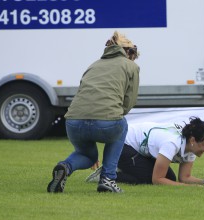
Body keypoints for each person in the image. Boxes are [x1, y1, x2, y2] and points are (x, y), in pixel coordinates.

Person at [47, 31, 140, 193]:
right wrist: (115, 115)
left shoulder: (94, 64)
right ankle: (108, 179)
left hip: (73, 122)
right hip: (107, 123)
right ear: (128, 52)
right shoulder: (131, 66)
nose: (134, 58)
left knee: (87, 155)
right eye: (133, 54)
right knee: (122, 125)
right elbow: (129, 102)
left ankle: (65, 167)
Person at [87, 117, 204, 186]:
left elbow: (184, 178)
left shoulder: (190, 147)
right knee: (148, 179)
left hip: (140, 150)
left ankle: (115, 170)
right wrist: (190, 188)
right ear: (193, 140)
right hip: (122, 145)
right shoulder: (171, 143)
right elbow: (157, 179)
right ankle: (107, 175)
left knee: (170, 178)